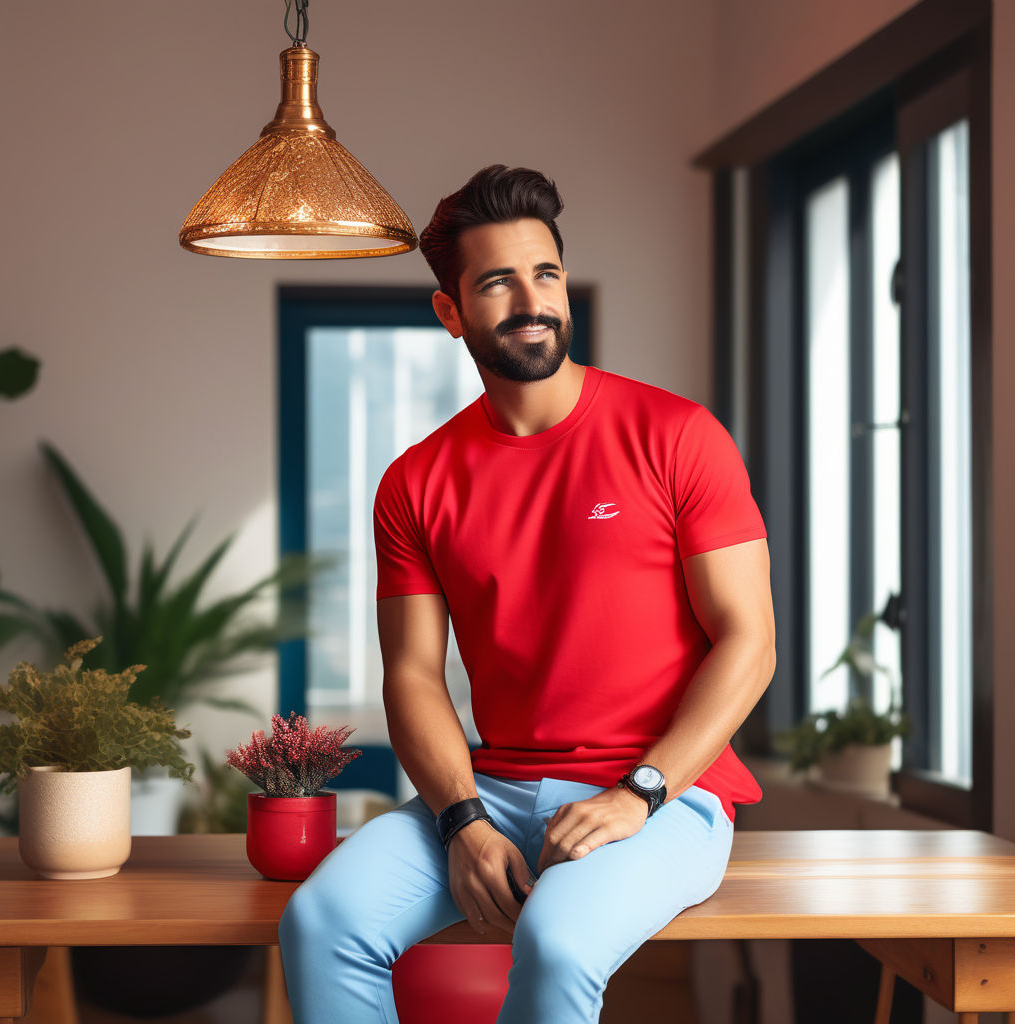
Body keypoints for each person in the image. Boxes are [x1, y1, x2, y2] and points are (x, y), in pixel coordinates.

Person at [279, 165, 776, 1024]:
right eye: (498, 282)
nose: (532, 299)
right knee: (321, 922)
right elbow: (413, 676)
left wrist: (640, 792)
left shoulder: (679, 436)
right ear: (451, 312)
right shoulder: (415, 481)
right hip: (494, 790)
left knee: (556, 940)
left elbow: (750, 640)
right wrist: (462, 820)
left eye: (545, 274)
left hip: (668, 797)